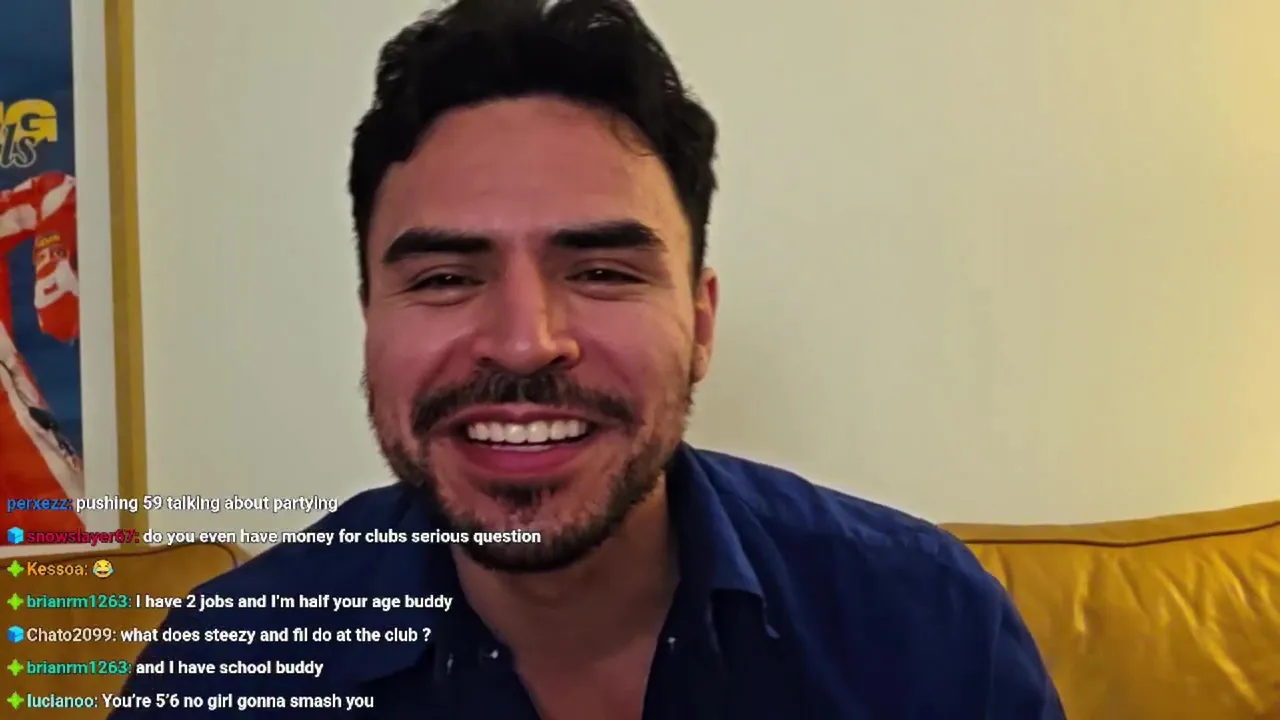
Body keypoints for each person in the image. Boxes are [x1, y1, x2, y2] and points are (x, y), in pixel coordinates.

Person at [114, 0, 1065, 717]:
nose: (525, 342)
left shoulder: (929, 630)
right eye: (444, 278)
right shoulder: (223, 672)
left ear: (701, 323)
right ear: (371, 320)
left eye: (603, 271)